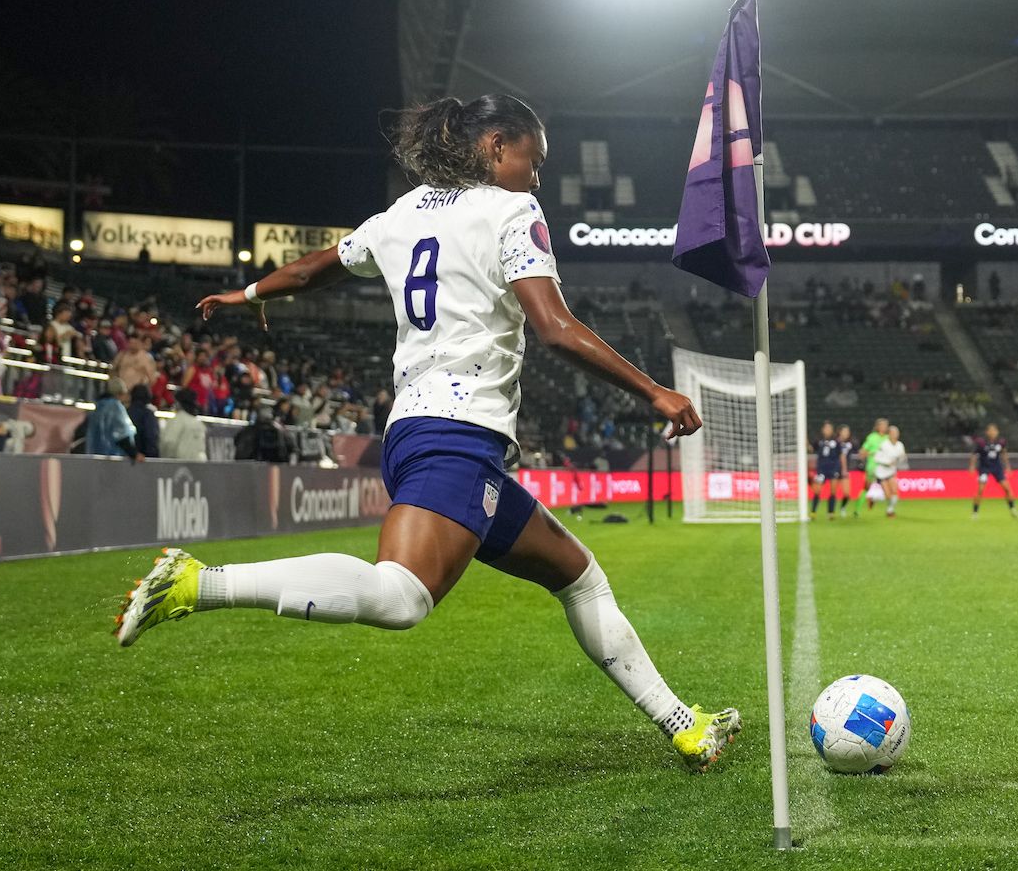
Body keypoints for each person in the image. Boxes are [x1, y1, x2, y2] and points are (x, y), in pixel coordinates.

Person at [113, 94, 738, 771]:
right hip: (458, 432)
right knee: (401, 597)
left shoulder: (401, 213)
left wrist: (249, 295)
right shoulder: (511, 211)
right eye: (535, 159)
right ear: (499, 147)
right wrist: (655, 390)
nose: (538, 177)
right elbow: (555, 328)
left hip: (422, 429)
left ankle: (683, 725)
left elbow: (315, 267)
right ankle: (196, 584)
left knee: (580, 577)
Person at [969, 422, 1017, 519]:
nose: (993, 433)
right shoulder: (981, 442)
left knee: (1007, 488)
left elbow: (1004, 453)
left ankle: (1013, 509)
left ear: (997, 432)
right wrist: (972, 466)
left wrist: (1008, 466)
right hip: (984, 468)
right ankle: (975, 512)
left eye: (994, 431)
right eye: (990, 431)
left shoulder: (1001, 442)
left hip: (997, 467)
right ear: (987, 432)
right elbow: (974, 455)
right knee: (980, 490)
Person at [86, 385, 145, 463]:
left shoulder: (97, 409)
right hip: (114, 462)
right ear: (119, 394)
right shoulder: (115, 407)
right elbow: (121, 434)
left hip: (94, 461)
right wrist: (134, 454)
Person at [160, 387, 209, 461]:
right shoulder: (199, 424)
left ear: (178, 403)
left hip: (178, 466)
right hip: (198, 466)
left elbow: (168, 443)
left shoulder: (177, 421)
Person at [810, 422, 847, 520]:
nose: (827, 430)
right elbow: (811, 449)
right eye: (826, 428)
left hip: (834, 468)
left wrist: (843, 469)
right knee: (817, 490)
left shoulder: (836, 442)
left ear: (832, 430)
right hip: (821, 469)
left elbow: (841, 455)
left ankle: (831, 513)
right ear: (823, 430)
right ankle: (813, 512)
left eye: (829, 428)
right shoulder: (819, 441)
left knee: (833, 491)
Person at [872, 423, 908, 518]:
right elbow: (876, 458)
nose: (895, 434)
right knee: (888, 495)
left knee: (895, 492)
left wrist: (902, 459)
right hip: (881, 472)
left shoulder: (900, 445)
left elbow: (901, 457)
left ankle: (890, 510)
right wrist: (887, 462)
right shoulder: (883, 445)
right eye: (893, 432)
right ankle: (876, 498)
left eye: (897, 432)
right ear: (889, 434)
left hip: (891, 471)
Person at [858, 417, 890, 513]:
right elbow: (862, 452)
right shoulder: (871, 437)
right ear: (877, 427)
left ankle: (889, 510)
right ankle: (857, 509)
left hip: (885, 467)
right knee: (867, 487)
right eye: (882, 425)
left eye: (886, 425)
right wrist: (871, 454)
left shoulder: (887, 438)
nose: (884, 427)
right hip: (873, 466)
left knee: (885, 487)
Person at [127, 383, 161, 459]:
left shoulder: (125, 412)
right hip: (143, 459)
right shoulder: (148, 414)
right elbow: (151, 436)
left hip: (126, 457)